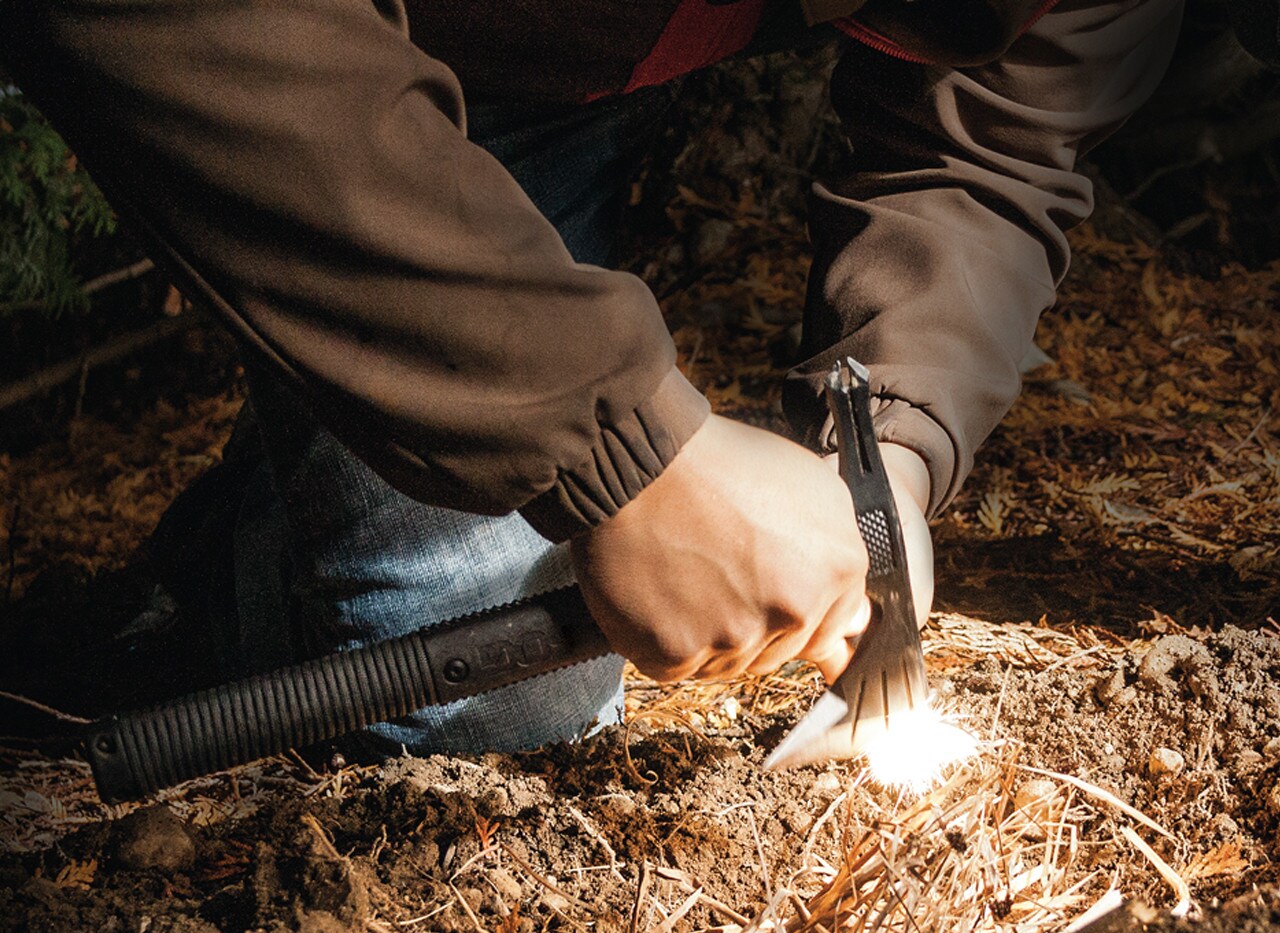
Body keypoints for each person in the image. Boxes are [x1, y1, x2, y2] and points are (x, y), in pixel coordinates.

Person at [0, 0, 1182, 756]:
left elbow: (999, 132)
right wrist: (611, 451)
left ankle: (271, 516)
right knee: (496, 720)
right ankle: (223, 594)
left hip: (611, 41)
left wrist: (892, 447)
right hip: (371, 50)